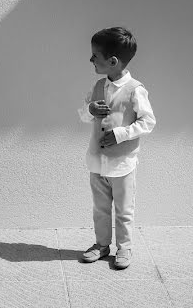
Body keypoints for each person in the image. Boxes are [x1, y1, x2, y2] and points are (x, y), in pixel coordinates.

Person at [78, 27, 156, 270]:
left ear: (112, 61)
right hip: (97, 162)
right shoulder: (97, 86)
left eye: (95, 56)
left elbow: (148, 122)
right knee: (100, 208)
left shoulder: (135, 90)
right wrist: (90, 110)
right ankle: (102, 245)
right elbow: (83, 114)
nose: (90, 60)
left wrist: (121, 134)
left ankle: (125, 248)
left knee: (123, 210)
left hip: (123, 165)